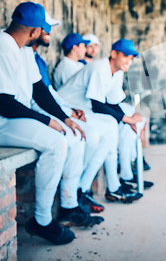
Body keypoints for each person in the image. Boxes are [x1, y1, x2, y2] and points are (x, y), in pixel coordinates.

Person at [0, 2, 102, 245]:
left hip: (14, 118)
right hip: (4, 121)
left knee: (68, 135)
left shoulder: (23, 49)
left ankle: (66, 205)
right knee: (56, 143)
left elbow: (39, 91)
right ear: (34, 31)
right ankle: (42, 221)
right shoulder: (3, 46)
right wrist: (47, 120)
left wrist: (64, 118)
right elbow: (4, 103)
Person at [31, 14, 116, 213]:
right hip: (33, 114)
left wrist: (68, 111)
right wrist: (65, 114)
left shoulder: (37, 59)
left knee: (100, 133)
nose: (50, 32)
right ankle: (65, 202)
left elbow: (48, 92)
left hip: (58, 109)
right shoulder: (56, 64)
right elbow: (37, 98)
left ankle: (76, 194)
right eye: (46, 28)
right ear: (33, 30)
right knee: (83, 136)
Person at [57, 38, 152, 201]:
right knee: (110, 128)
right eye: (125, 56)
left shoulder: (118, 71)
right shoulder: (100, 67)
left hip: (84, 110)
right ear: (113, 54)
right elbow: (97, 104)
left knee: (112, 130)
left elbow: (112, 102)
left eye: (131, 58)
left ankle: (92, 187)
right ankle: (87, 187)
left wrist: (127, 120)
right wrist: (126, 119)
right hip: (66, 107)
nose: (129, 61)